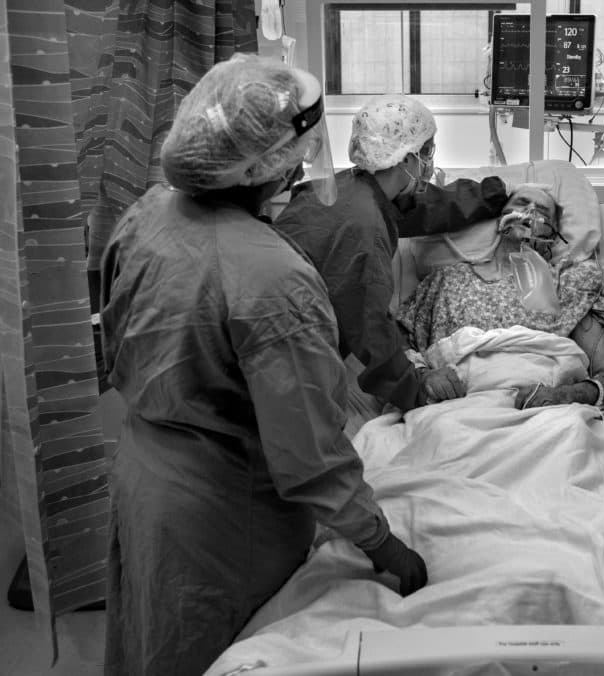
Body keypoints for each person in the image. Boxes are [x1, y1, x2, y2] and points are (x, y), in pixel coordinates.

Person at [100, 54, 427, 676]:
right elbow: (308, 454)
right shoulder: (273, 280)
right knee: (219, 654)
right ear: (275, 161)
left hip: (143, 472)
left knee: (148, 640)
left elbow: (116, 333)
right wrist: (382, 543)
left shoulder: (148, 214)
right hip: (221, 513)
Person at [273, 94, 510, 413]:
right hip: (287, 360)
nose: (429, 160)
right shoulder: (363, 228)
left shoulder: (351, 188)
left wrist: (492, 195)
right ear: (406, 159)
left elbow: (424, 208)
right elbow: (372, 331)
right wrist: (418, 385)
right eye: (426, 150)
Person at [397, 183, 604, 411]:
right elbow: (396, 346)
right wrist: (424, 376)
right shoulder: (446, 280)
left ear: (552, 234)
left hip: (544, 410)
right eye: (521, 203)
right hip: (459, 406)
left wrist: (563, 396)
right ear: (501, 219)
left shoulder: (569, 284)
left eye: (541, 211)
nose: (528, 212)